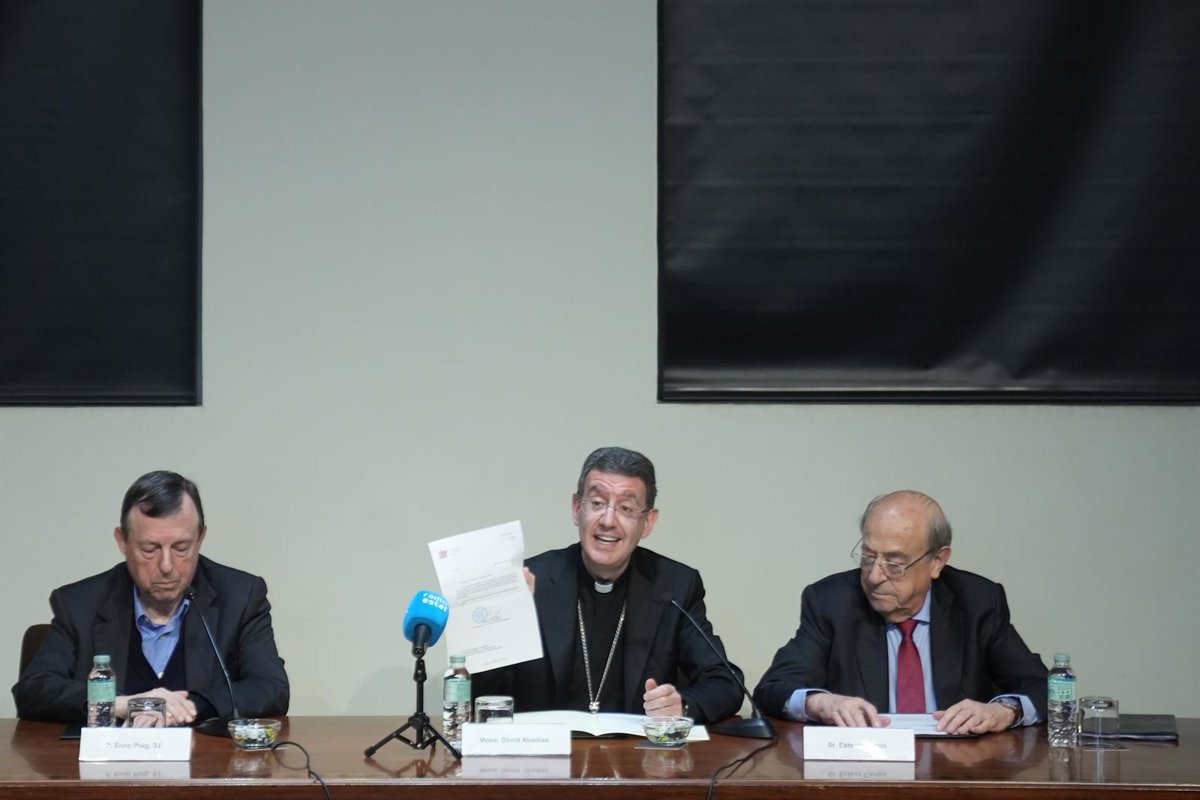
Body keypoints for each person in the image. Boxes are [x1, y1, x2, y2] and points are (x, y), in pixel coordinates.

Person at [472, 447, 744, 724]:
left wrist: (682, 706)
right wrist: (505, 628)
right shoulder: (529, 582)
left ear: (647, 522)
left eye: (626, 508)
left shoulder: (674, 586)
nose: (608, 521)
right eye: (597, 503)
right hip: (547, 749)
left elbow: (726, 682)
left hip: (636, 751)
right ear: (577, 509)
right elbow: (475, 696)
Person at [753, 490, 1047, 735]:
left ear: (937, 561)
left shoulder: (977, 602)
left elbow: (1043, 686)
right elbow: (773, 689)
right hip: (865, 767)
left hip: (959, 767)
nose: (874, 576)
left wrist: (1003, 711)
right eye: (868, 557)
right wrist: (822, 704)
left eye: (894, 564)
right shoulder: (832, 602)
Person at [13, 470, 289, 725]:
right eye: (150, 549)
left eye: (181, 548)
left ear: (201, 538)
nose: (167, 566)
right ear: (122, 541)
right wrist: (118, 704)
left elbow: (271, 688)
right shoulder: (80, 603)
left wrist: (189, 706)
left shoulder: (241, 596)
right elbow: (33, 690)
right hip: (107, 760)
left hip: (206, 758)